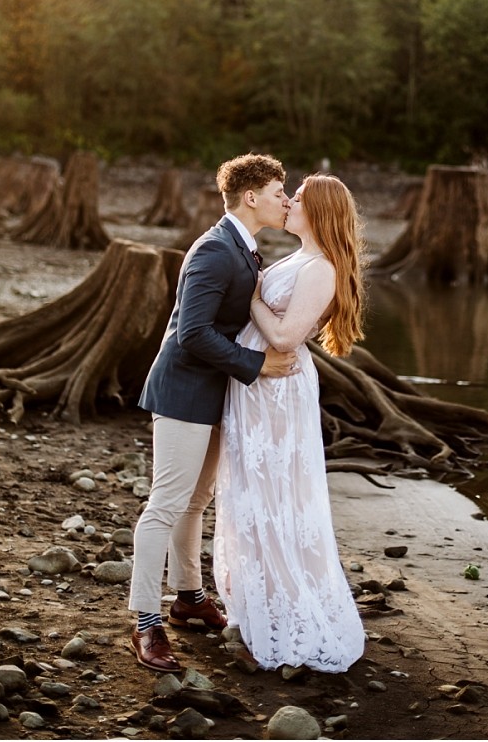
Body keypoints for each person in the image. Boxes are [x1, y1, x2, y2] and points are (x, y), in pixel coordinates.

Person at [128, 154, 296, 674]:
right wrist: (259, 365)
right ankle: (144, 623)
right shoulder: (214, 251)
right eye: (277, 192)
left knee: (196, 501)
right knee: (166, 503)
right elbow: (190, 333)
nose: (285, 200)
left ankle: (189, 598)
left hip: (213, 394)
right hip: (183, 393)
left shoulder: (244, 249)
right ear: (251, 197)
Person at [213, 172, 366, 672]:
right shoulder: (298, 257)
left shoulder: (322, 267)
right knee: (253, 487)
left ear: (319, 211)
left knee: (276, 489)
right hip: (256, 387)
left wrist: (253, 294)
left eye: (297, 199)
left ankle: (288, 606)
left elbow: (284, 337)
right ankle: (258, 597)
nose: (289, 203)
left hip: (277, 389)